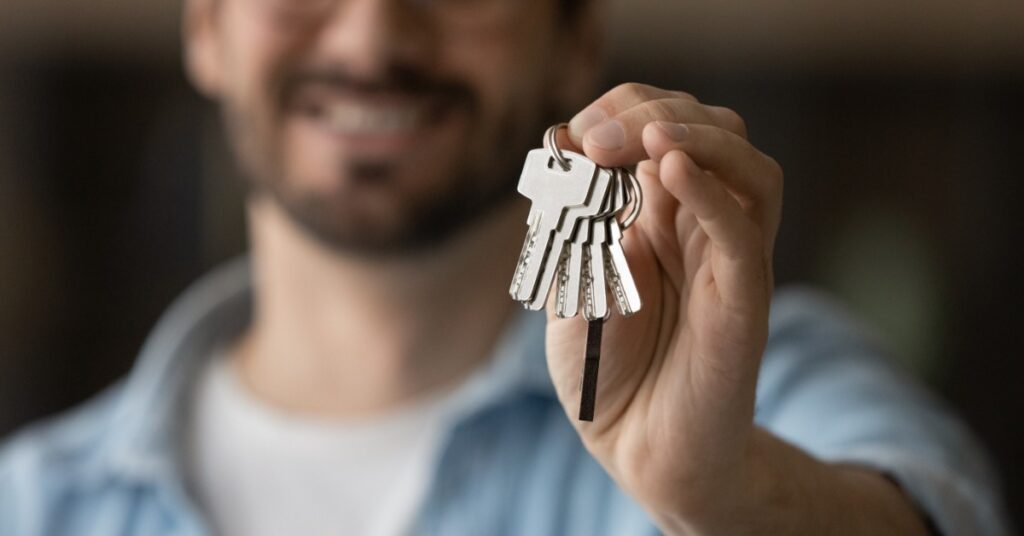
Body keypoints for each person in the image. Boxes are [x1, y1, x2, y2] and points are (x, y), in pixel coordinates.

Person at [0, 0, 1011, 534]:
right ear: (206, 26)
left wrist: (729, 491)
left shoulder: (763, 384)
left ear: (576, 35)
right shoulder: (35, 505)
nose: (372, 34)